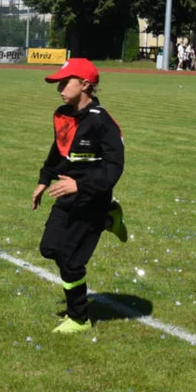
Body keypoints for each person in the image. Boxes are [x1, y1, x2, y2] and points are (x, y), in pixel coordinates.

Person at [31, 58, 127, 334]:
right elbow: (57, 151)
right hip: (68, 196)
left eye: (65, 82)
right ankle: (110, 220)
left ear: (85, 84)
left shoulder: (102, 122)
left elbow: (113, 168)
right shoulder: (63, 114)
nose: (59, 87)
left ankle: (79, 318)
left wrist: (80, 186)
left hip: (92, 199)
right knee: (49, 249)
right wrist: (43, 180)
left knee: (72, 260)